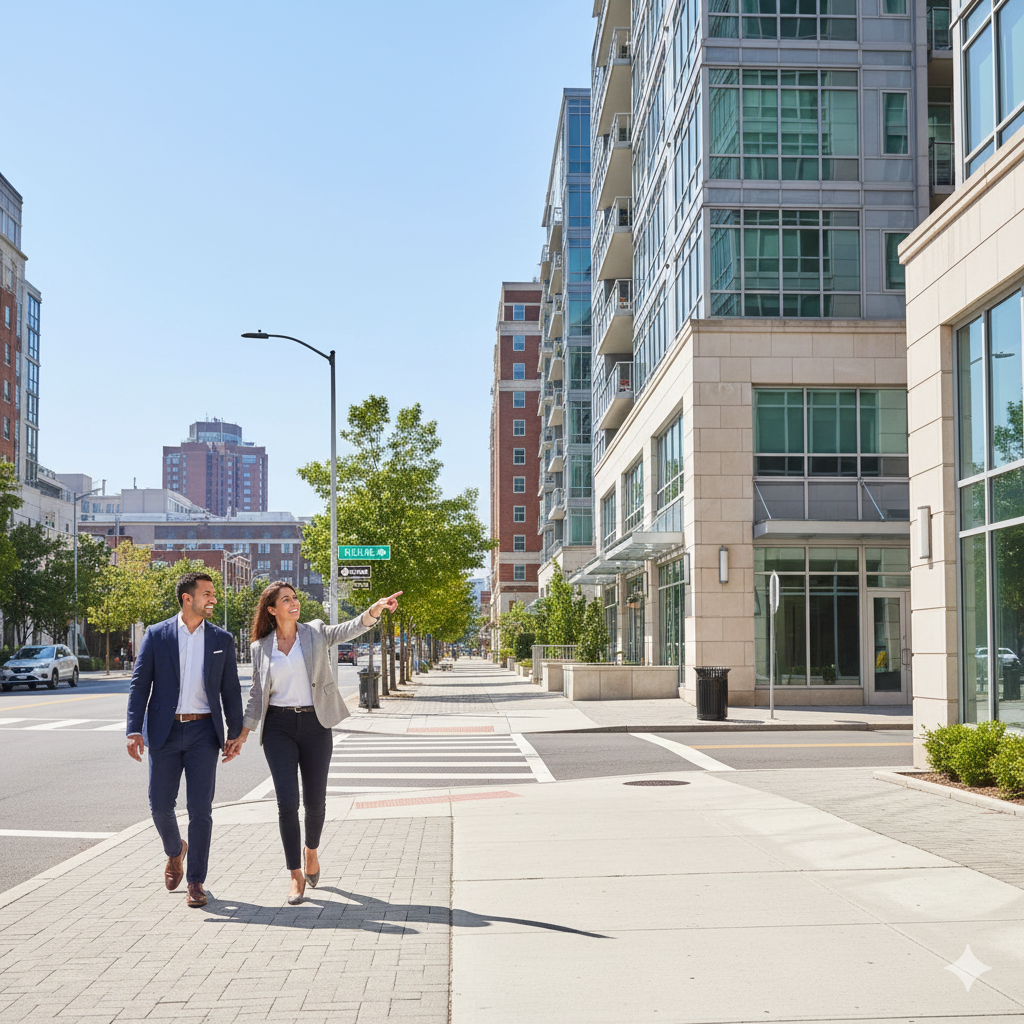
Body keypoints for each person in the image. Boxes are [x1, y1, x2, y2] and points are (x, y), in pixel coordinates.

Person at [237, 583, 401, 904]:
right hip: (278, 728)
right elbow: (257, 695)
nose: (295, 602)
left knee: (315, 803)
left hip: (315, 723)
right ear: (272, 609)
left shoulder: (313, 633)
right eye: (287, 600)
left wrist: (375, 609)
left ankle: (311, 851)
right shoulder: (261, 648)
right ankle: (295, 875)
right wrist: (243, 732)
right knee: (287, 803)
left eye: (295, 597)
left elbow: (349, 629)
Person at [126, 571, 244, 908]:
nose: (213, 599)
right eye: (207, 594)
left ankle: (196, 881)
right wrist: (134, 728)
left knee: (200, 810)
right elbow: (139, 684)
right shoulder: (157, 635)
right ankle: (175, 850)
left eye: (213, 594)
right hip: (164, 731)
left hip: (204, 733)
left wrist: (235, 733)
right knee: (160, 805)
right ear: (187, 598)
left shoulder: (222, 639)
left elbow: (231, 689)